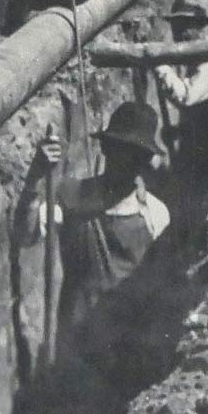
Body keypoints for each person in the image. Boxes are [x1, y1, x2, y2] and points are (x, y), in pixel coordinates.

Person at [33, 101, 170, 325]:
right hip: (76, 343)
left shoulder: (156, 215)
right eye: (120, 151)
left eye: (136, 156)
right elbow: (25, 234)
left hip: (128, 343)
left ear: (145, 161)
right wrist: (35, 176)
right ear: (106, 149)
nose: (126, 163)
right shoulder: (71, 196)